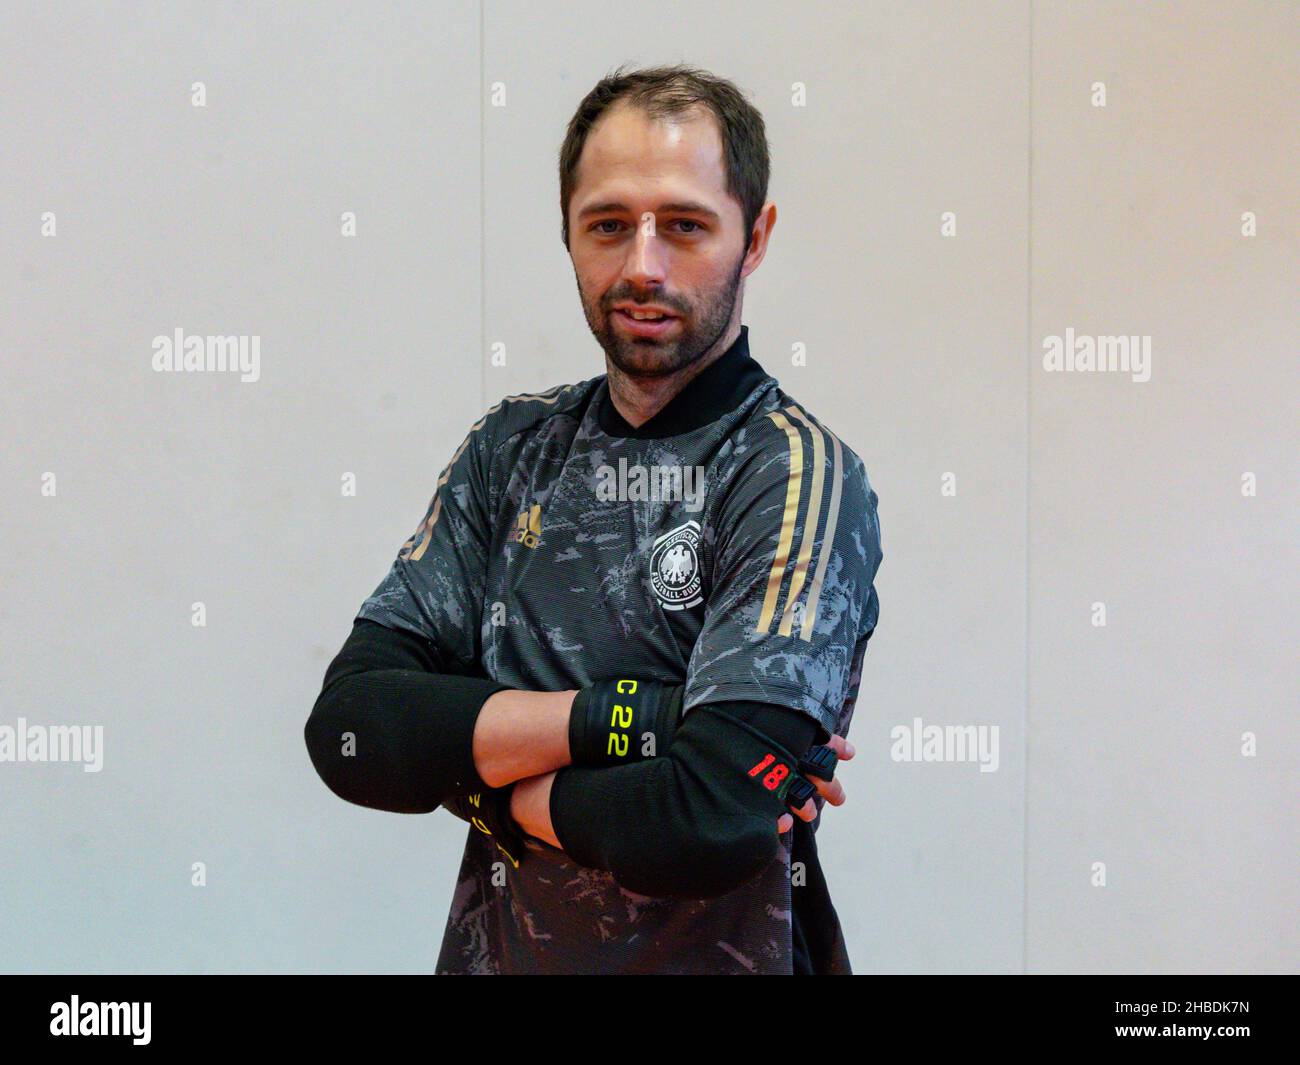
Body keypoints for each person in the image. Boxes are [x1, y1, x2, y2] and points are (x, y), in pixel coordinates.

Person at [305, 63, 883, 975]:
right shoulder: (511, 450)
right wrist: (633, 718)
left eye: (685, 225)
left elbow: (707, 816)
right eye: (609, 225)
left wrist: (488, 785)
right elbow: (352, 729)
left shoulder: (793, 470)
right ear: (569, 233)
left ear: (755, 236)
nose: (642, 265)